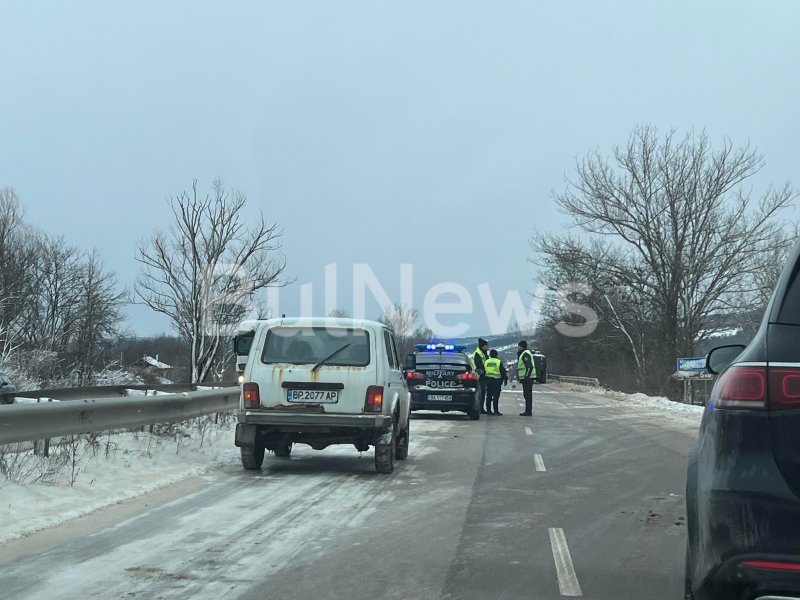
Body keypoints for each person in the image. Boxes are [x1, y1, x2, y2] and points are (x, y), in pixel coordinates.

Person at [484, 349, 508, 415]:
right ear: (496, 355)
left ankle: (488, 410)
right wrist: (505, 379)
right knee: (496, 396)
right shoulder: (498, 361)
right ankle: (496, 411)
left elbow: (484, 370)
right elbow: (502, 371)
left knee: (488, 396)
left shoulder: (486, 361)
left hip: (488, 380)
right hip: (496, 380)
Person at [517, 340, 536, 417]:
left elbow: (529, 366)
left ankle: (528, 411)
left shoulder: (525, 354)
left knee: (527, 395)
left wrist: (526, 376)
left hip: (528, 378)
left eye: (519, 346)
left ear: (522, 346)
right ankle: (528, 410)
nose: (517, 347)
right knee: (527, 394)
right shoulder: (524, 353)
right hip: (527, 377)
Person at [473, 338, 490, 414]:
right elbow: (479, 365)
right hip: (479, 376)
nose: (488, 346)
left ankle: (481, 408)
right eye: (487, 345)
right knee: (481, 393)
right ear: (483, 346)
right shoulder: (478, 353)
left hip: (483, 376)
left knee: (483, 393)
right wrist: (483, 372)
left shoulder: (483, 353)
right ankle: (480, 408)